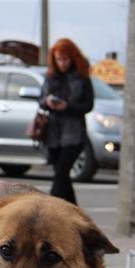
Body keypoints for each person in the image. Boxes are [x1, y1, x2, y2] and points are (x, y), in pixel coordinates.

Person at [39, 38, 94, 204]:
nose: (62, 63)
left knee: (61, 175)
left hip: (74, 134)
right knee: (63, 178)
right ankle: (75, 215)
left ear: (73, 58)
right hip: (53, 134)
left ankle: (49, 210)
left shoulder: (82, 78)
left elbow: (88, 105)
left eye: (65, 59)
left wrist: (67, 106)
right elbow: (40, 100)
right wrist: (48, 102)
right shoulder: (51, 77)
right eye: (58, 59)